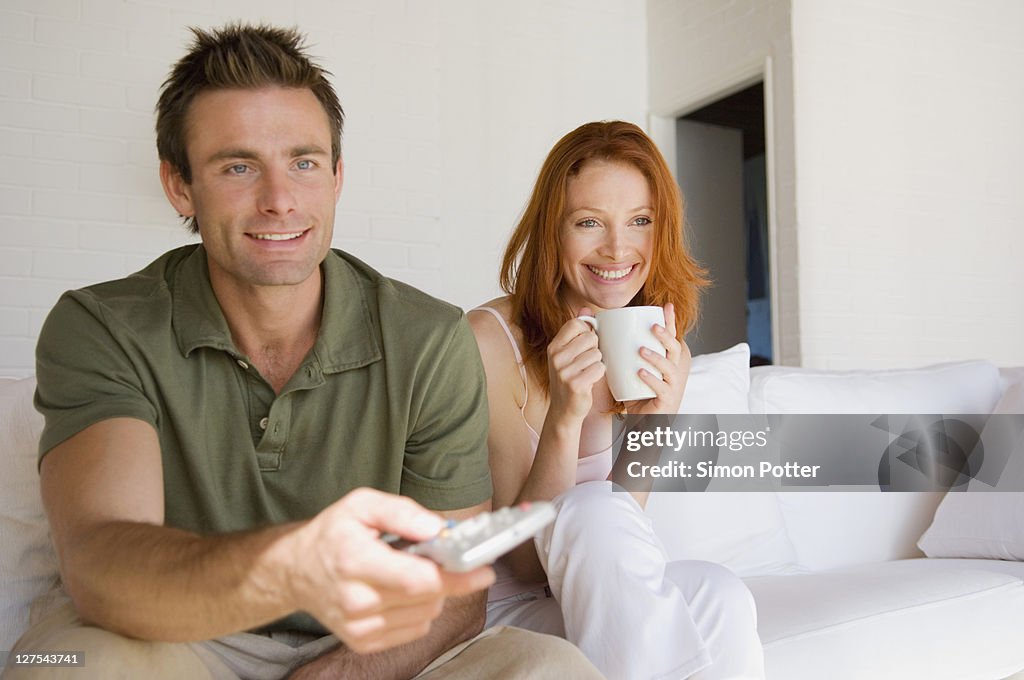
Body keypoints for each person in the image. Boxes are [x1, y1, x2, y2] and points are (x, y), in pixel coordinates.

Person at [3, 24, 602, 680]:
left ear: (338, 176)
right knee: (60, 665)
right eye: (238, 166)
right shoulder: (104, 326)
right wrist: (289, 570)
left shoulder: (430, 339)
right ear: (179, 186)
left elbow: (455, 591)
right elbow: (104, 567)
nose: (280, 199)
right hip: (175, 637)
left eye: (304, 162)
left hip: (369, 645)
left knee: (554, 668)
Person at [470, 121, 766, 679]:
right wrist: (564, 418)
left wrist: (659, 423)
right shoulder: (489, 339)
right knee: (593, 507)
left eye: (640, 221)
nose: (617, 248)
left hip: (590, 606)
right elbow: (524, 562)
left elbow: (613, 547)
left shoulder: (639, 334)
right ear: (551, 232)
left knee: (722, 593)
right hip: (504, 615)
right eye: (588, 223)